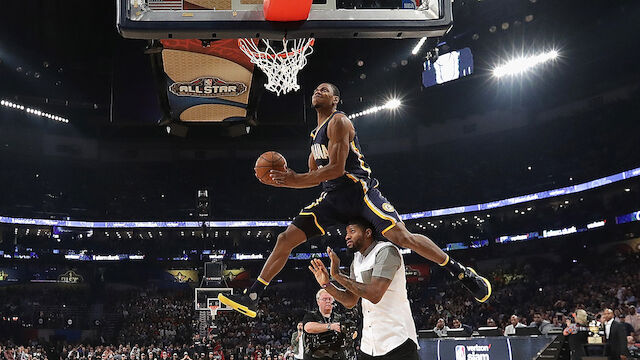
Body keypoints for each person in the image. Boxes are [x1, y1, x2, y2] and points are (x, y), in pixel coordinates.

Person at [219, 83, 491, 318]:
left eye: (324, 90)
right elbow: (315, 177)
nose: (318, 91)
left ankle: (461, 272)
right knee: (285, 239)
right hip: (333, 199)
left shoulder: (339, 121)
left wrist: (293, 179)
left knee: (403, 237)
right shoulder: (314, 137)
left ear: (335, 100)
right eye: (316, 89)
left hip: (359, 192)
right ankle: (253, 297)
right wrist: (282, 180)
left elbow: (336, 169)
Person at [308, 218, 419, 360]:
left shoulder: (386, 251)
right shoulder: (357, 260)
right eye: (346, 232)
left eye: (352, 231)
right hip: (369, 344)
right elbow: (350, 301)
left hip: (397, 341)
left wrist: (337, 274)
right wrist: (327, 284)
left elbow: (374, 294)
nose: (347, 236)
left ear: (368, 233)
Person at [301, 289, 347, 360]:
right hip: (314, 356)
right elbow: (308, 328)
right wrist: (330, 326)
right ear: (318, 301)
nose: (328, 301)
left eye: (330, 299)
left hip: (336, 356)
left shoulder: (340, 317)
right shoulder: (310, 315)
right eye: (325, 299)